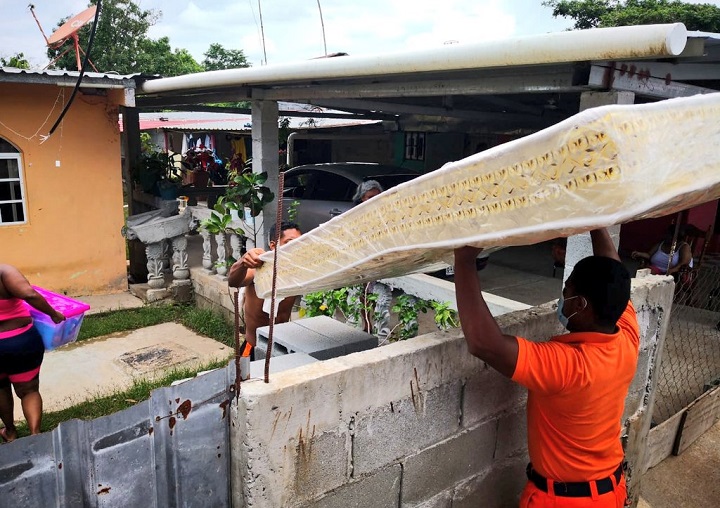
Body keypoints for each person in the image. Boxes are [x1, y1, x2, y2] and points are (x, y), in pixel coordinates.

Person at [454, 229, 638, 507]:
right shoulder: (625, 334)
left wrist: (464, 261)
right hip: (610, 492)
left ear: (581, 304)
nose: (562, 299)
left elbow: (484, 343)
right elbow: (612, 268)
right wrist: (597, 224)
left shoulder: (568, 364)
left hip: (565, 502)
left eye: (567, 292)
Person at [0, 264, 65, 442]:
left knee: (1, 388)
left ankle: (10, 432)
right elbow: (29, 294)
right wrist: (53, 314)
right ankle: (35, 437)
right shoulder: (4, 271)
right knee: (29, 390)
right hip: (20, 342)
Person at [227, 221, 302, 354]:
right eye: (289, 243)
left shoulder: (298, 271)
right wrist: (243, 262)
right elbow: (233, 281)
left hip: (282, 347)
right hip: (254, 347)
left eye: (299, 243)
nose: (295, 248)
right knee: (245, 375)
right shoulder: (259, 268)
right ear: (273, 245)